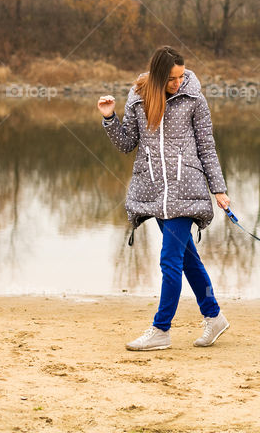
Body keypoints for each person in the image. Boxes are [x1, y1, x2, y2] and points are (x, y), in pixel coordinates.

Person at [97, 46, 231, 351]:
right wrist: (109, 118)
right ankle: (214, 316)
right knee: (186, 259)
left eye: (181, 76)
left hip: (187, 190)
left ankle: (161, 329)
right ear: (157, 75)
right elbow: (127, 143)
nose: (178, 82)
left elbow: (207, 146)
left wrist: (218, 189)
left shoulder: (194, 97)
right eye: (172, 78)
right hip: (154, 192)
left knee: (169, 260)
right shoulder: (138, 99)